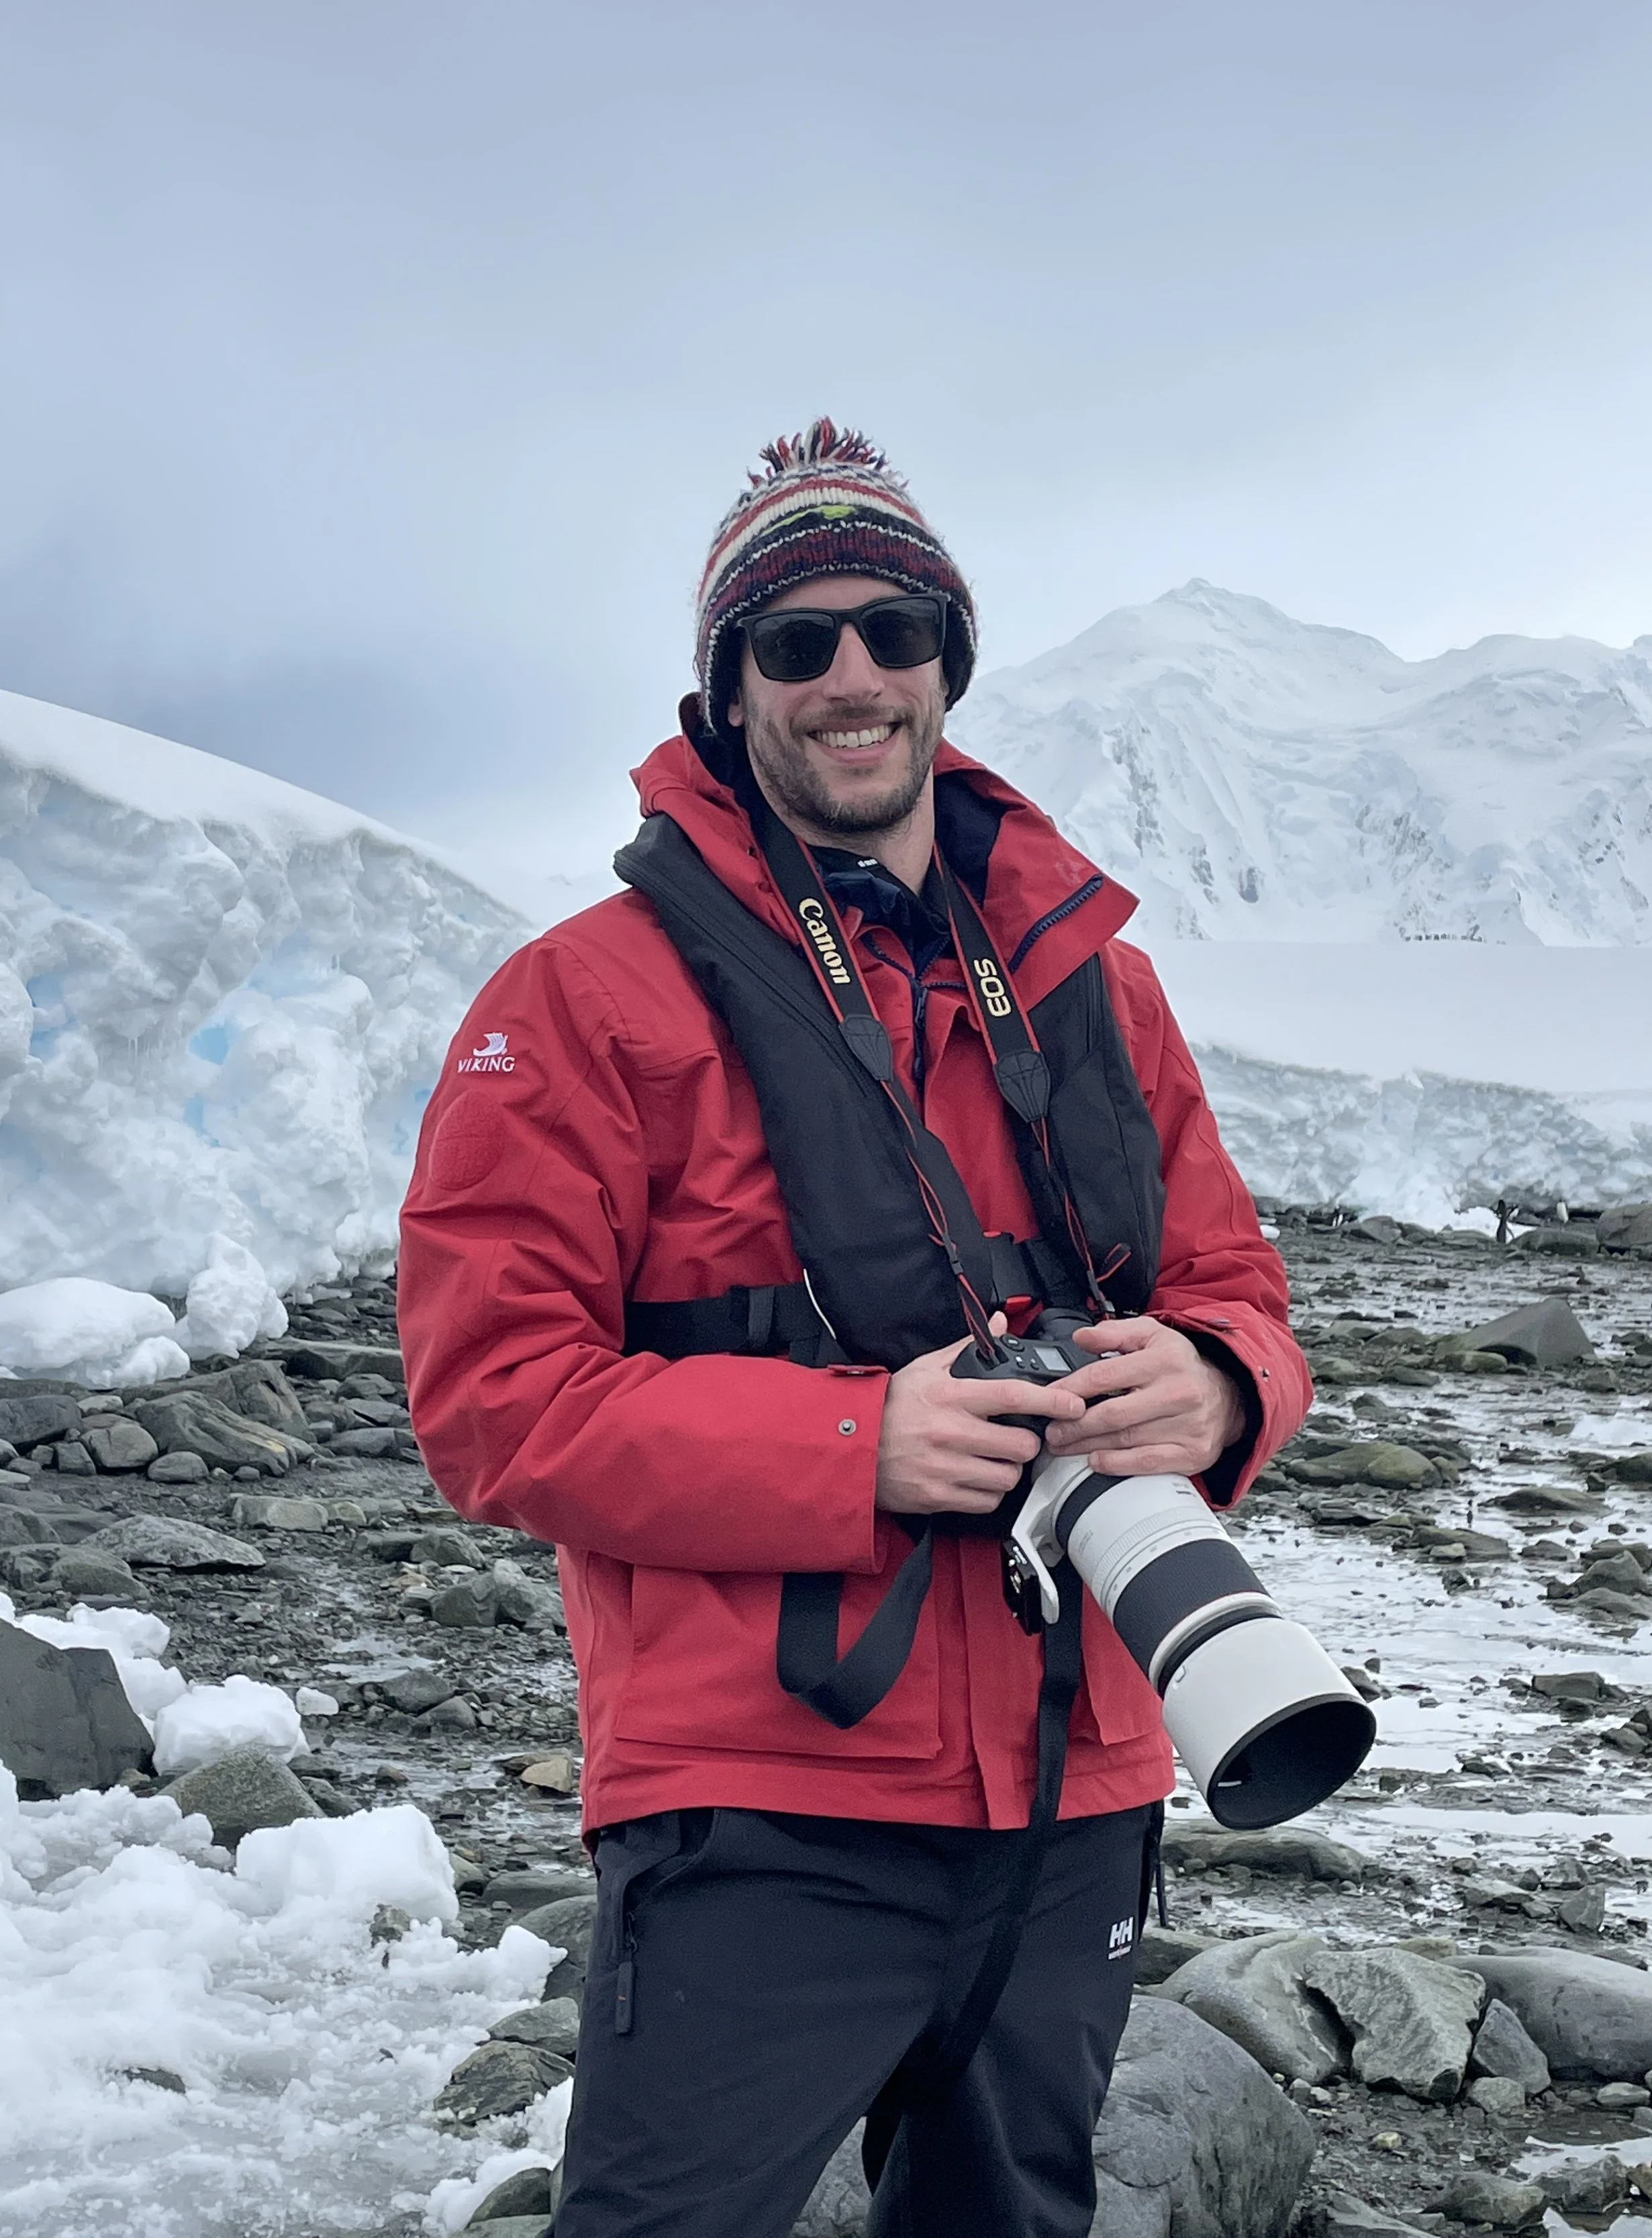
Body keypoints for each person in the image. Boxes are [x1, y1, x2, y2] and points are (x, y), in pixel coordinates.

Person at [398, 420, 1312, 2238]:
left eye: (891, 628)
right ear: (726, 686)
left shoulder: (1093, 984)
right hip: (761, 1811)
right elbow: (487, 1397)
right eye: (792, 639)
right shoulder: (580, 998)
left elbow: (1240, 1298)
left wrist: (1209, 1385)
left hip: (1076, 1789)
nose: (851, 675)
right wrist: (850, 1445)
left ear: (944, 667)